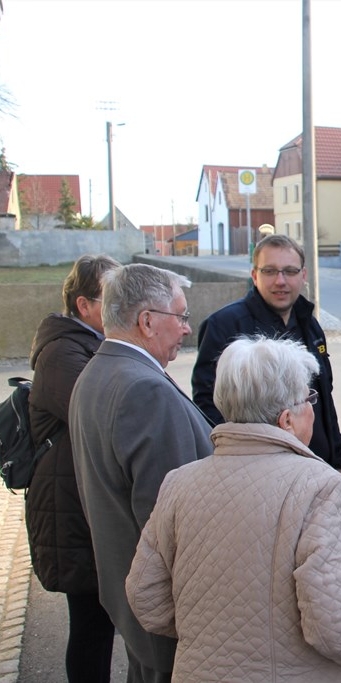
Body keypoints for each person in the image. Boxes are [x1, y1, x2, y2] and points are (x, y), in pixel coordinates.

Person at [126, 337, 341, 682]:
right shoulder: (319, 487)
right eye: (309, 398)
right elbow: (338, 618)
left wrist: (212, 637)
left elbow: (144, 593)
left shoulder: (179, 482)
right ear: (286, 421)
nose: (313, 406)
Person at [70, 263, 213, 683]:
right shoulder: (143, 389)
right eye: (181, 316)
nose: (187, 329)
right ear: (147, 321)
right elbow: (171, 522)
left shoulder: (98, 371)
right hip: (165, 614)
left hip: (131, 600)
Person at [26, 254, 120, 682]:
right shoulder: (62, 352)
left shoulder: (84, 345)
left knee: (98, 624)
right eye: (112, 298)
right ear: (84, 305)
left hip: (81, 503)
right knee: (91, 628)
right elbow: (101, 416)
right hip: (72, 511)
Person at [192, 234, 341, 471]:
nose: (280, 281)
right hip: (258, 472)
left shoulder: (310, 325)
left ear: (303, 275)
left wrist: (337, 458)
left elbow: (325, 398)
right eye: (270, 271)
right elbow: (208, 403)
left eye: (290, 271)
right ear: (255, 276)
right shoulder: (225, 326)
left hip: (317, 465)